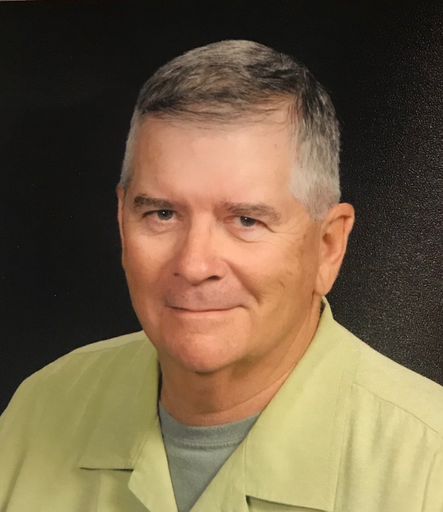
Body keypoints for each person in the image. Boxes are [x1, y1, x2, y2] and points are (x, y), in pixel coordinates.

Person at [1, 40, 442, 512]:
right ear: (122, 222)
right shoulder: (39, 411)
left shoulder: (428, 465)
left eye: (246, 221)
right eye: (163, 214)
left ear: (328, 246)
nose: (194, 265)